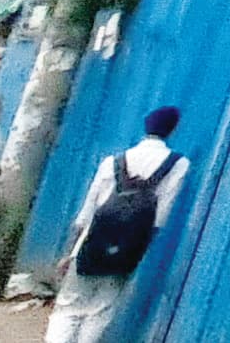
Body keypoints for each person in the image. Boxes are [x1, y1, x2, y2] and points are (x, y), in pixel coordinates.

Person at [48, 106, 187, 343]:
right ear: (172, 130)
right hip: (131, 246)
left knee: (68, 306)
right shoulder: (178, 165)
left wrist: (70, 252)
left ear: (146, 126)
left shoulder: (113, 162)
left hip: (90, 244)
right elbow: (161, 216)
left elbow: (87, 212)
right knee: (101, 308)